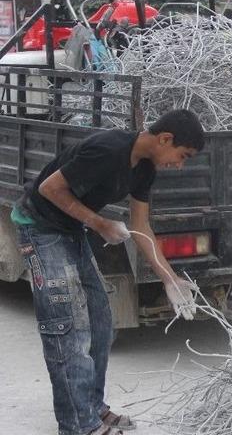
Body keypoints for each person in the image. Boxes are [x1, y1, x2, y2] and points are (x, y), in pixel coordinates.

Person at [12, 109, 205, 435]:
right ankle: (78, 425)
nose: (179, 164)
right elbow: (49, 188)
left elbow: (141, 226)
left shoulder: (145, 169)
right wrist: (100, 223)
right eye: (182, 155)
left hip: (71, 230)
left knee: (101, 323)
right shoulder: (108, 149)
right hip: (40, 228)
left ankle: (92, 407)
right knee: (68, 328)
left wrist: (170, 279)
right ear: (165, 139)